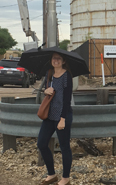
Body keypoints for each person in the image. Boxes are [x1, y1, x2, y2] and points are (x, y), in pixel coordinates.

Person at [37, 53, 73, 185]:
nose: (55, 60)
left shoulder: (67, 75)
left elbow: (67, 99)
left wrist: (63, 118)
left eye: (58, 58)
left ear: (63, 61)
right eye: (54, 58)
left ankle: (66, 178)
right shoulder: (49, 73)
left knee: (64, 147)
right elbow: (48, 90)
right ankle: (52, 174)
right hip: (49, 116)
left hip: (62, 115)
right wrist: (46, 91)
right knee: (41, 143)